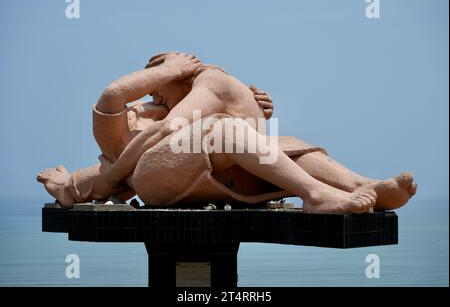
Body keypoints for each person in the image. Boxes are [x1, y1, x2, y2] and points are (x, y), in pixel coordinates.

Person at [37, 53, 417, 213]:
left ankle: (360, 185)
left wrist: (252, 107)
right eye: (156, 86)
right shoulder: (134, 115)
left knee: (286, 146)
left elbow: (195, 121)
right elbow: (112, 96)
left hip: (200, 172)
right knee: (226, 130)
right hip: (152, 178)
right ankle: (316, 196)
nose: (156, 95)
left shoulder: (189, 106)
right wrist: (167, 71)